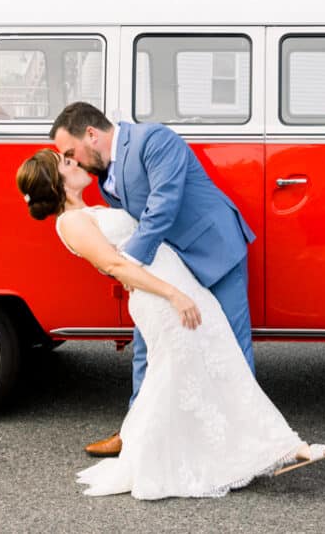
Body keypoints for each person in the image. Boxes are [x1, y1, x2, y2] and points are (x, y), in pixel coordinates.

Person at [16, 149, 325, 499]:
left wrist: (179, 291)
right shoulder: (71, 222)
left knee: (214, 363)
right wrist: (173, 295)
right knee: (180, 373)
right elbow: (115, 266)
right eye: (65, 163)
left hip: (176, 289)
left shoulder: (86, 212)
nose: (74, 163)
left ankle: (269, 445)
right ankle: (279, 446)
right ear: (56, 181)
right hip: (163, 299)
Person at [50, 102, 256, 458]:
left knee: (232, 345)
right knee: (146, 341)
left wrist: (129, 265)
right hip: (168, 262)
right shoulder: (102, 173)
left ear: (92, 134)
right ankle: (135, 431)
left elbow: (163, 203)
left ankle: (247, 441)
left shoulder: (153, 139)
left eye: (70, 152)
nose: (73, 161)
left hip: (214, 249)